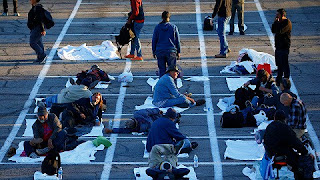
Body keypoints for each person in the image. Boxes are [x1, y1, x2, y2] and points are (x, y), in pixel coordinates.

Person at [263, 110, 314, 179]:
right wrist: (305, 152)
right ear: (285, 119)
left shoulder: (269, 127)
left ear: (274, 118)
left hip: (270, 154)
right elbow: (295, 143)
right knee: (304, 161)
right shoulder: (284, 128)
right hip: (282, 154)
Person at [152, 11, 181, 77]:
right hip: (171, 51)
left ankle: (162, 84)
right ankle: (172, 85)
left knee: (162, 70)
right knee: (172, 71)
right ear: (169, 18)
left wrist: (154, 51)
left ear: (162, 17)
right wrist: (178, 51)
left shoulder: (157, 27)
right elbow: (177, 40)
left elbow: (154, 40)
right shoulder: (173, 27)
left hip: (160, 51)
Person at [272, 8, 292, 85]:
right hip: (278, 46)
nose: (276, 16)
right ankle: (279, 79)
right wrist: (275, 22)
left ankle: (286, 79)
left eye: (278, 15)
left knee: (284, 63)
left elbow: (280, 31)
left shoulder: (287, 23)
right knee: (279, 64)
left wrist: (277, 23)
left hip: (284, 46)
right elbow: (273, 30)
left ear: (282, 15)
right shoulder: (278, 22)